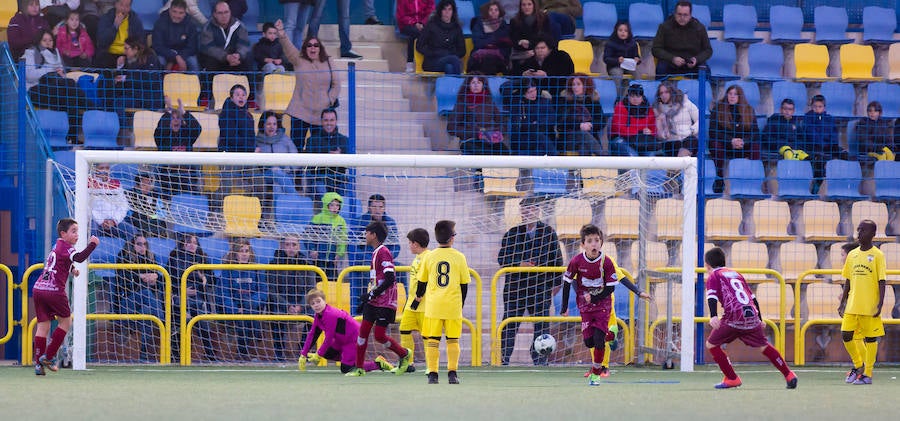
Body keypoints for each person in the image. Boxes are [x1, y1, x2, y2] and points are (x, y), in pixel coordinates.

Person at [704, 246, 798, 389]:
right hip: (751, 316)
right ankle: (789, 374)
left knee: (712, 344)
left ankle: (732, 378)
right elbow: (752, 297)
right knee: (764, 346)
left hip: (733, 317)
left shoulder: (714, 275)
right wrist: (760, 319)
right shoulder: (736, 274)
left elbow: (711, 296)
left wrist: (713, 316)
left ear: (707, 265)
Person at [498, 197, 563, 365]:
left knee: (541, 325)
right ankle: (503, 358)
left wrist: (555, 285)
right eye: (525, 209)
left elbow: (557, 261)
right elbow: (502, 257)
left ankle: (540, 358)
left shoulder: (549, 232)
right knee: (510, 324)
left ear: (538, 211)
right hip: (515, 289)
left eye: (532, 209)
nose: (528, 212)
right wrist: (519, 264)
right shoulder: (512, 233)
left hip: (540, 288)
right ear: (521, 212)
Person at [32, 218, 99, 375]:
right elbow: (81, 257)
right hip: (54, 290)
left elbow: (59, 263)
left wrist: (71, 269)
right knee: (65, 322)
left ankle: (38, 365)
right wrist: (93, 244)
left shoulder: (57, 246)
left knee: (43, 326)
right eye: (73, 231)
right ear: (63, 233)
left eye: (78, 231)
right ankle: (48, 356)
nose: (77, 235)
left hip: (39, 288)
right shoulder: (68, 248)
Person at [347, 221, 412, 377]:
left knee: (379, 336)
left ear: (374, 235)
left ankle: (404, 354)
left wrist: (372, 294)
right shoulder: (375, 252)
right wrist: (368, 297)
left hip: (384, 302)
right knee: (362, 333)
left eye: (367, 232)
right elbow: (378, 279)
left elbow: (390, 278)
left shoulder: (383, 252)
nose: (365, 235)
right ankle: (360, 367)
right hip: (373, 301)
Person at [412, 220, 470, 384]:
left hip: (433, 306)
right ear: (452, 238)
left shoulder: (429, 256)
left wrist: (418, 298)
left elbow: (421, 282)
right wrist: (461, 304)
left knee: (433, 341)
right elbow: (464, 284)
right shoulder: (459, 257)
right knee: (453, 340)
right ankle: (452, 374)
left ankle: (433, 375)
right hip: (452, 305)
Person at [559, 224, 618, 386]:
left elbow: (611, 287)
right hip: (585, 307)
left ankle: (596, 374)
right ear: (583, 244)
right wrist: (564, 307)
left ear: (601, 243)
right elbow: (566, 282)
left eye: (597, 240)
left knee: (598, 341)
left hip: (603, 304)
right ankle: (611, 335)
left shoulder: (606, 262)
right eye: (590, 241)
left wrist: (595, 296)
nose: (594, 244)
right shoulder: (576, 261)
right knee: (589, 342)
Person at [274, 19, 340, 151]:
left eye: (316, 45)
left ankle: (314, 172)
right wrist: (281, 33)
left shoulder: (328, 61)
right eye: (309, 45)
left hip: (320, 113)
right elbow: (287, 46)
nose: (313, 48)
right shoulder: (298, 59)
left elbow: (336, 84)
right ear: (305, 48)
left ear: (320, 48)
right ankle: (296, 172)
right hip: (300, 112)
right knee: (296, 148)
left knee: (318, 149)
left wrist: (329, 99)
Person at [298, 289, 396, 374]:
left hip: (353, 339)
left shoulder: (330, 314)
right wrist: (303, 354)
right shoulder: (318, 316)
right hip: (341, 340)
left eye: (318, 301)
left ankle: (378, 364)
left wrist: (318, 354)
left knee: (346, 368)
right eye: (313, 304)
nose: (316, 305)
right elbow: (313, 334)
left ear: (324, 301)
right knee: (327, 353)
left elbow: (328, 338)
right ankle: (350, 359)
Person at [838, 220, 887, 385]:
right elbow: (848, 280)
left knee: (870, 339)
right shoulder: (852, 255)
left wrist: (880, 304)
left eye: (863, 230)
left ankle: (868, 374)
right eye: (858, 230)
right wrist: (842, 302)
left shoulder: (878, 255)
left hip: (869, 305)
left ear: (873, 234)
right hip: (852, 304)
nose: (859, 233)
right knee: (846, 334)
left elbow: (882, 281)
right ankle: (859, 365)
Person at [24, 29, 91, 143]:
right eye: (44, 40)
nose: (48, 43)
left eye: (50, 40)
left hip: (56, 88)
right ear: (38, 40)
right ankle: (90, 108)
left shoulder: (56, 53)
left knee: (70, 96)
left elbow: (62, 76)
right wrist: (50, 70)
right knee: (70, 87)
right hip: (36, 90)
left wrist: (60, 74)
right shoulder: (31, 52)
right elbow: (29, 75)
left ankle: (70, 137)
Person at [166, 233, 217, 362]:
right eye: (189, 242)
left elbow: (213, 279)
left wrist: (205, 279)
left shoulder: (203, 259)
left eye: (194, 242)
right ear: (183, 244)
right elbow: (166, 280)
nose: (192, 245)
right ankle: (177, 355)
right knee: (183, 318)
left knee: (202, 317)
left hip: (199, 300)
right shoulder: (174, 258)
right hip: (179, 299)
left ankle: (210, 355)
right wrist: (182, 291)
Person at [115, 233, 164, 362]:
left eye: (145, 244)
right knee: (145, 293)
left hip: (146, 304)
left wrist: (156, 278)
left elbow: (161, 282)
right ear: (132, 245)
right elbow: (122, 279)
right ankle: (164, 320)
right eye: (139, 244)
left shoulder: (151, 258)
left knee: (146, 312)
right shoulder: (123, 257)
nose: (143, 247)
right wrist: (140, 277)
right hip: (126, 302)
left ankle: (143, 356)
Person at [217, 238, 268, 360]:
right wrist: (234, 309)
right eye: (241, 251)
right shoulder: (227, 270)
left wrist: (251, 303)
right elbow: (223, 293)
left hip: (250, 306)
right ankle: (242, 354)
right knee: (242, 322)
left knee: (251, 319)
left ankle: (245, 353)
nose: (244, 254)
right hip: (234, 307)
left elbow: (263, 292)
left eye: (247, 250)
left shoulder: (256, 270)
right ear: (235, 253)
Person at [348, 194, 401, 311]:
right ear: (369, 208)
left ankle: (405, 310)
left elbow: (397, 247)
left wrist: (384, 259)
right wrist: (372, 259)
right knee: (355, 273)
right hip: (365, 263)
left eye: (380, 207)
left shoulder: (391, 223)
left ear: (384, 208)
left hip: (384, 263)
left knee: (402, 270)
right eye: (374, 207)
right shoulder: (359, 222)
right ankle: (356, 313)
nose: (378, 210)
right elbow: (352, 247)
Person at [268, 235, 316, 361]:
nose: (291, 248)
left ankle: (303, 351)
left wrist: (300, 306)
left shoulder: (307, 264)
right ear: (282, 246)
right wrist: (287, 306)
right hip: (282, 305)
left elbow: (311, 289)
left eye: (294, 245)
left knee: (315, 316)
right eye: (288, 245)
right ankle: (279, 353)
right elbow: (272, 291)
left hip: (302, 305)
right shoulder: (274, 264)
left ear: (299, 246)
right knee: (275, 314)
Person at [709, 84, 760, 186]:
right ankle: (719, 178)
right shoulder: (718, 109)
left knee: (755, 146)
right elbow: (713, 132)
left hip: (742, 145)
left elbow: (755, 132)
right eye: (730, 93)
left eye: (735, 94)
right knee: (715, 144)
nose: (732, 96)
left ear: (740, 97)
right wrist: (730, 141)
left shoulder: (749, 110)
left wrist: (743, 141)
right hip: (725, 144)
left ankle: (752, 180)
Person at [447, 74, 510, 155]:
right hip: (471, 140)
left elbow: (502, 123)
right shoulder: (462, 103)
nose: (476, 85)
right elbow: (451, 127)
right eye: (473, 82)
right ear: (468, 85)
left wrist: (496, 132)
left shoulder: (490, 103)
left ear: (483, 85)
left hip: (490, 140)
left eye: (479, 82)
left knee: (504, 152)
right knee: (483, 154)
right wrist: (477, 133)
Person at [154, 98, 201, 200]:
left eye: (178, 118)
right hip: (168, 175)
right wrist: (169, 111)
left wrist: (184, 112)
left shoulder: (186, 135)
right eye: (172, 118)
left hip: (185, 175)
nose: (175, 120)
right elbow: (160, 129)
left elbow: (197, 128)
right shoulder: (163, 137)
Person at [398, 228, 430, 373]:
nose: (409, 245)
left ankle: (431, 366)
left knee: (428, 336)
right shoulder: (417, 257)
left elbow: (426, 281)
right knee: (404, 330)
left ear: (415, 244)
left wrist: (418, 298)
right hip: (411, 305)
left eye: (410, 243)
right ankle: (408, 363)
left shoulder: (428, 258)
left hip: (423, 305)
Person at [651, 1, 712, 77]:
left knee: (706, 70)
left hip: (692, 64)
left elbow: (708, 50)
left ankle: (705, 88)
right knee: (661, 68)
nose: (682, 18)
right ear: (674, 14)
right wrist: (672, 58)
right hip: (671, 63)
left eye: (685, 15)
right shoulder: (664, 27)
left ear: (690, 15)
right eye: (679, 14)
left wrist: (697, 59)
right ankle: (661, 88)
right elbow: (656, 49)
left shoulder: (699, 28)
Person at [198, 0, 252, 86]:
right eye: (220, 13)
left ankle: (251, 96)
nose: (224, 16)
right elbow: (209, 48)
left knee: (248, 58)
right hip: (218, 59)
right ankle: (206, 96)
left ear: (230, 12)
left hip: (234, 59)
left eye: (226, 12)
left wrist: (238, 55)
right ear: (215, 14)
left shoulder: (239, 25)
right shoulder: (208, 27)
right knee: (209, 61)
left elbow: (244, 44)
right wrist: (226, 57)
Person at [800, 94, 847, 188]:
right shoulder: (807, 118)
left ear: (824, 107)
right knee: (819, 160)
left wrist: (832, 145)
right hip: (813, 147)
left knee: (845, 155)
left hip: (827, 147)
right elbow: (811, 136)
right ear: (811, 107)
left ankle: (842, 185)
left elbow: (834, 135)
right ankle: (816, 187)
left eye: (820, 106)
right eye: (815, 106)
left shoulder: (829, 119)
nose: (817, 109)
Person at [255, 110, 298, 211]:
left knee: (277, 187)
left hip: (286, 174)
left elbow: (296, 158)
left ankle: (276, 221)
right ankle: (296, 199)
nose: (272, 127)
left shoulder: (285, 139)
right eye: (268, 124)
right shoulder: (257, 141)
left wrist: (286, 169)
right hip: (265, 175)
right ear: (263, 125)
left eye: (274, 124)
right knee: (275, 172)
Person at [303, 108, 348, 197]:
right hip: (319, 179)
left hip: (339, 180)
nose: (329, 123)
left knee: (345, 193)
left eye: (332, 120)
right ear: (321, 121)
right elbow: (308, 165)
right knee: (322, 191)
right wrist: (327, 156)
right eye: (326, 120)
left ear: (336, 121)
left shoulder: (344, 140)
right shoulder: (312, 140)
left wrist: (340, 157)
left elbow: (349, 164)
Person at [557, 74, 604, 155]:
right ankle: (603, 157)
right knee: (581, 133)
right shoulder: (565, 101)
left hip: (589, 137)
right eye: (573, 84)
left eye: (578, 84)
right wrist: (579, 126)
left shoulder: (593, 101)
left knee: (583, 147)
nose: (575, 87)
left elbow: (601, 121)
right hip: (568, 139)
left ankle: (579, 168)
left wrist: (590, 124)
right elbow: (560, 123)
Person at [508, 0, 560, 73]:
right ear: (520, 7)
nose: (526, 7)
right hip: (522, 52)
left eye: (529, 4)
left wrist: (532, 44)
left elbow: (547, 37)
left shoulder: (543, 18)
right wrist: (519, 42)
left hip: (539, 49)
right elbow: (512, 40)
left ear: (534, 5)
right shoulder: (514, 21)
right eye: (524, 5)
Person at [306, 192, 347, 282]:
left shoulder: (341, 221)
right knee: (318, 281)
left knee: (332, 281)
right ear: (326, 205)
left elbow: (342, 239)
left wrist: (339, 253)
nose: (335, 208)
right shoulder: (317, 219)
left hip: (332, 259)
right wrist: (312, 249)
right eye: (332, 205)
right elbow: (308, 235)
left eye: (337, 205)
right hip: (318, 258)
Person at [416, 0, 466, 75]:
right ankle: (458, 85)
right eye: (444, 9)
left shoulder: (457, 28)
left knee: (449, 67)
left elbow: (462, 50)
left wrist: (448, 53)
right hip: (432, 61)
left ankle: (450, 86)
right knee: (454, 60)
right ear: (440, 11)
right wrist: (435, 53)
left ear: (453, 11)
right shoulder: (431, 25)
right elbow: (419, 46)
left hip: (450, 60)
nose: (447, 12)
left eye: (449, 9)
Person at [508, 79, 557, 156]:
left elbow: (552, 118)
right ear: (523, 93)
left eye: (535, 90)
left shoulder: (544, 101)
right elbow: (522, 124)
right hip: (524, 137)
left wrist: (538, 122)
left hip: (543, 134)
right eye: (530, 92)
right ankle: (555, 158)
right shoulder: (517, 103)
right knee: (538, 136)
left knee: (540, 143)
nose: (533, 93)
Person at [89, 162, 135, 239]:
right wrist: (101, 221)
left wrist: (114, 220)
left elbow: (124, 205)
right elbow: (87, 207)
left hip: (113, 222)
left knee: (132, 231)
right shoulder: (88, 183)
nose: (104, 171)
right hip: (95, 222)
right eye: (101, 168)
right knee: (90, 230)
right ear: (95, 169)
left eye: (107, 168)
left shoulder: (116, 184)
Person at [610, 83, 657, 157]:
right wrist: (639, 131)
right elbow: (618, 128)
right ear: (628, 96)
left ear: (642, 97)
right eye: (632, 96)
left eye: (638, 96)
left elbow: (653, 128)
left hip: (641, 141)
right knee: (633, 157)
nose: (635, 99)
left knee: (650, 157)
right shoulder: (620, 107)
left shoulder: (648, 108)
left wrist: (650, 131)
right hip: (622, 139)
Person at [95, 0, 146, 69]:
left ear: (130, 8)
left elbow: (140, 41)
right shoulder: (106, 18)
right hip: (109, 53)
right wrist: (115, 26)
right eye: (121, 5)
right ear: (116, 4)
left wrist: (128, 54)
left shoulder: (134, 20)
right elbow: (102, 41)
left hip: (128, 54)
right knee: (102, 60)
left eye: (127, 6)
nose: (123, 8)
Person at [151, 0, 200, 71]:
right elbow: (157, 46)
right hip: (165, 53)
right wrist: (175, 57)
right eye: (174, 11)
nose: (177, 16)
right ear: (169, 10)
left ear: (185, 13)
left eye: (181, 13)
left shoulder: (191, 24)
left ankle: (195, 82)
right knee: (160, 62)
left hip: (184, 54)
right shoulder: (160, 23)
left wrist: (180, 56)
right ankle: (159, 82)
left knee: (194, 63)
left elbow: (192, 47)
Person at [653, 81, 698, 157]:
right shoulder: (658, 109)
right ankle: (680, 164)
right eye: (661, 93)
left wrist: (692, 130)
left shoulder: (685, 102)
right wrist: (663, 132)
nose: (664, 95)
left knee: (691, 141)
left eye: (666, 92)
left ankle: (677, 165)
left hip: (688, 137)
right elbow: (659, 134)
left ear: (672, 92)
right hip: (671, 142)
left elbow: (699, 119)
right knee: (672, 145)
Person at [467, 0, 511, 76]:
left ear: (499, 12)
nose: (493, 12)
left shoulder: (503, 25)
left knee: (489, 60)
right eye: (491, 10)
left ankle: (484, 85)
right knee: (485, 61)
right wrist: (495, 41)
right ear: (486, 12)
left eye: (496, 10)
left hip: (498, 59)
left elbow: (506, 46)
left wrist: (486, 42)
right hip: (479, 57)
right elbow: (477, 43)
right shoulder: (479, 24)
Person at [396, 0, 434, 73]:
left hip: (424, 24)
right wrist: (414, 23)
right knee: (414, 33)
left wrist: (422, 23)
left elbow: (430, 11)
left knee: (430, 32)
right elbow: (401, 16)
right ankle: (410, 63)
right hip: (407, 24)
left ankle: (428, 61)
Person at [124, 172, 165, 237]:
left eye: (149, 184)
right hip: (134, 222)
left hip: (151, 222)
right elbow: (126, 213)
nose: (147, 187)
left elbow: (162, 214)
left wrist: (152, 216)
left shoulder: (155, 195)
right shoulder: (129, 194)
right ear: (137, 186)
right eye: (144, 185)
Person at [218, 84, 256, 153]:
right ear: (231, 98)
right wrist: (251, 147)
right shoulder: (226, 114)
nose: (241, 97)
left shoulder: (249, 115)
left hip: (246, 153)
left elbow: (251, 137)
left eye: (243, 95)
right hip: (231, 155)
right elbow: (231, 138)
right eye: (238, 95)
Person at [761, 99, 802, 163]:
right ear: (780, 110)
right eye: (785, 109)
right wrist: (782, 144)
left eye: (790, 109)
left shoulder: (798, 123)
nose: (787, 111)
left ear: (793, 111)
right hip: (778, 149)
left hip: (795, 149)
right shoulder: (773, 122)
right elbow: (766, 138)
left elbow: (801, 139)